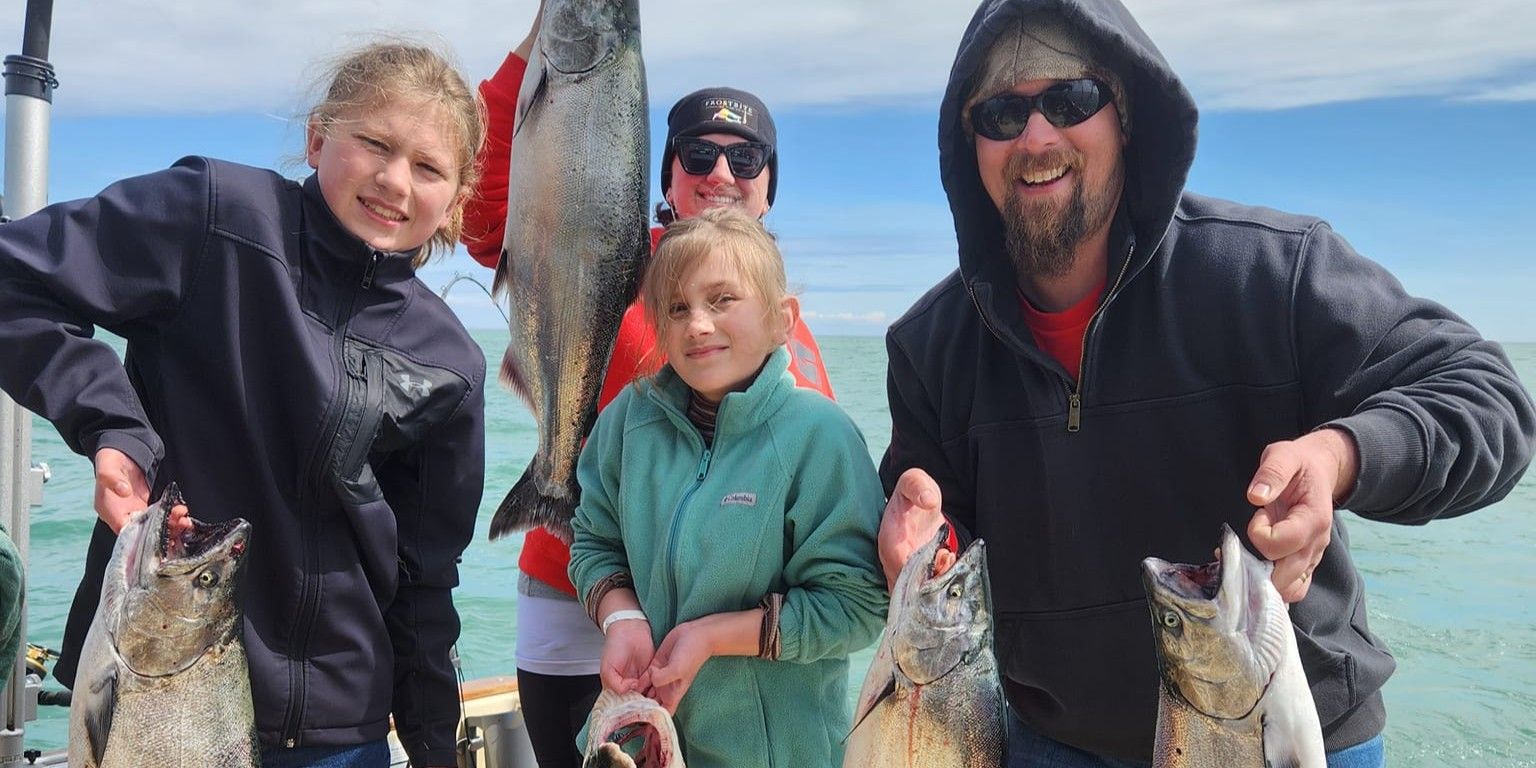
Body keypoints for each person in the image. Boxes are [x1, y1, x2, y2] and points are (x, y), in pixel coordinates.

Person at [875, 1, 1536, 766]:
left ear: (1125, 114)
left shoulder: (1271, 271)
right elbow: (933, 524)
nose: (1037, 135)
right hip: (1055, 743)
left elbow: (1484, 395)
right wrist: (920, 551)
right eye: (1001, 112)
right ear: (970, 145)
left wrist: (1338, 456)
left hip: (1286, 730)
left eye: (1071, 100)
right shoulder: (928, 345)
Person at [0, 41, 489, 768]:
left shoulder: (450, 360)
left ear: (457, 195)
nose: (394, 181)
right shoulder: (217, 218)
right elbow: (17, 281)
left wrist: (430, 747)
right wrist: (114, 429)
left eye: (428, 168)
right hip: (151, 683)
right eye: (375, 145)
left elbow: (424, 583)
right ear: (319, 137)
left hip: (339, 734)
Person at [458, 8, 835, 767]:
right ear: (664, 175)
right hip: (571, 594)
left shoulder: (793, 339)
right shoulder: (607, 253)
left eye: (745, 157)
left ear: (769, 188)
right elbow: (485, 193)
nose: (720, 173)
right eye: (697, 154)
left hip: (714, 632)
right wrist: (542, 43)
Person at [566, 208, 886, 768]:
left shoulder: (820, 436)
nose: (698, 324)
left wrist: (715, 636)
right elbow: (593, 541)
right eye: (678, 308)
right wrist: (622, 619)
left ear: (783, 318)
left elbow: (858, 605)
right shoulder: (625, 422)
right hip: (644, 745)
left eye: (721, 301)